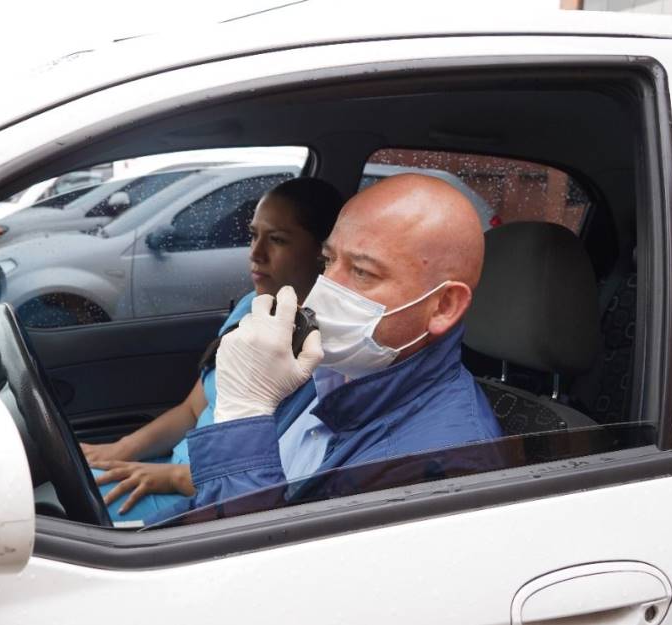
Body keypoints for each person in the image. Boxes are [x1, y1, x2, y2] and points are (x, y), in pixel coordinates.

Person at [178, 173, 504, 516]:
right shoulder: (341, 366)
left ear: (443, 306)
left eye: (362, 272)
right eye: (329, 261)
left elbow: (255, 556)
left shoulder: (438, 464)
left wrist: (243, 414)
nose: (320, 293)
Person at [81, 176, 343, 522]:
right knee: (70, 479)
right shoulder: (253, 306)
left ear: (322, 253)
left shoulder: (321, 354)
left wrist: (173, 477)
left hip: (209, 499)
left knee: (67, 510)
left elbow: (279, 470)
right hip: (174, 471)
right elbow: (193, 409)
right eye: (253, 235)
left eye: (277, 240)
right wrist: (120, 450)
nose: (255, 253)